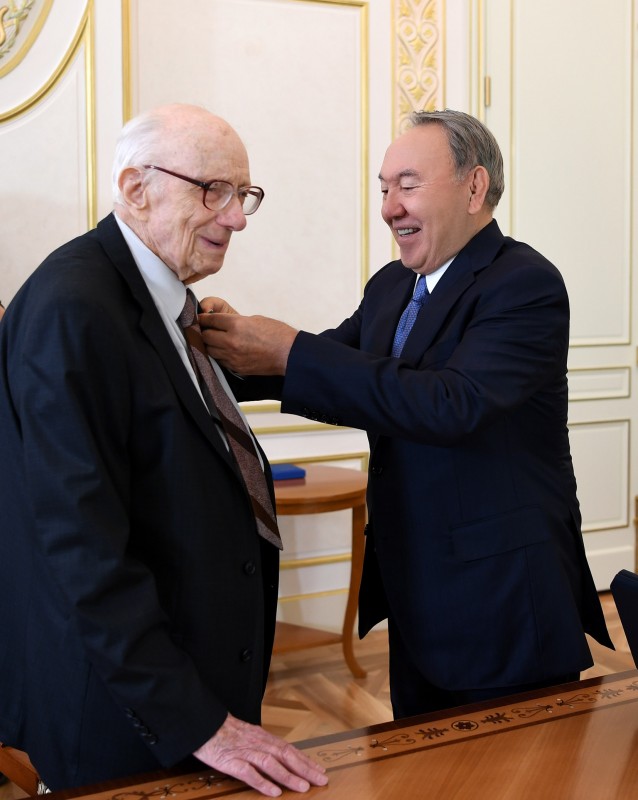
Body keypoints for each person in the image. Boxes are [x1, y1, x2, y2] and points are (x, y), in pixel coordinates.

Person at [198, 109, 614, 717]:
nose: (390, 207)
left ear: (474, 187)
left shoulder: (525, 284)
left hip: (503, 601)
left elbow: (451, 404)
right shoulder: (392, 285)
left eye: (408, 185)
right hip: (418, 591)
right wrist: (213, 355)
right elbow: (331, 369)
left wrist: (289, 349)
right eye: (384, 188)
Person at [0, 104, 327, 797]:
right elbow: (82, 551)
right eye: (213, 190)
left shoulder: (162, 299)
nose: (236, 218)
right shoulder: (74, 306)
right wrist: (196, 721)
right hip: (126, 717)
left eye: (243, 195)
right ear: (135, 188)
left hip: (187, 688)